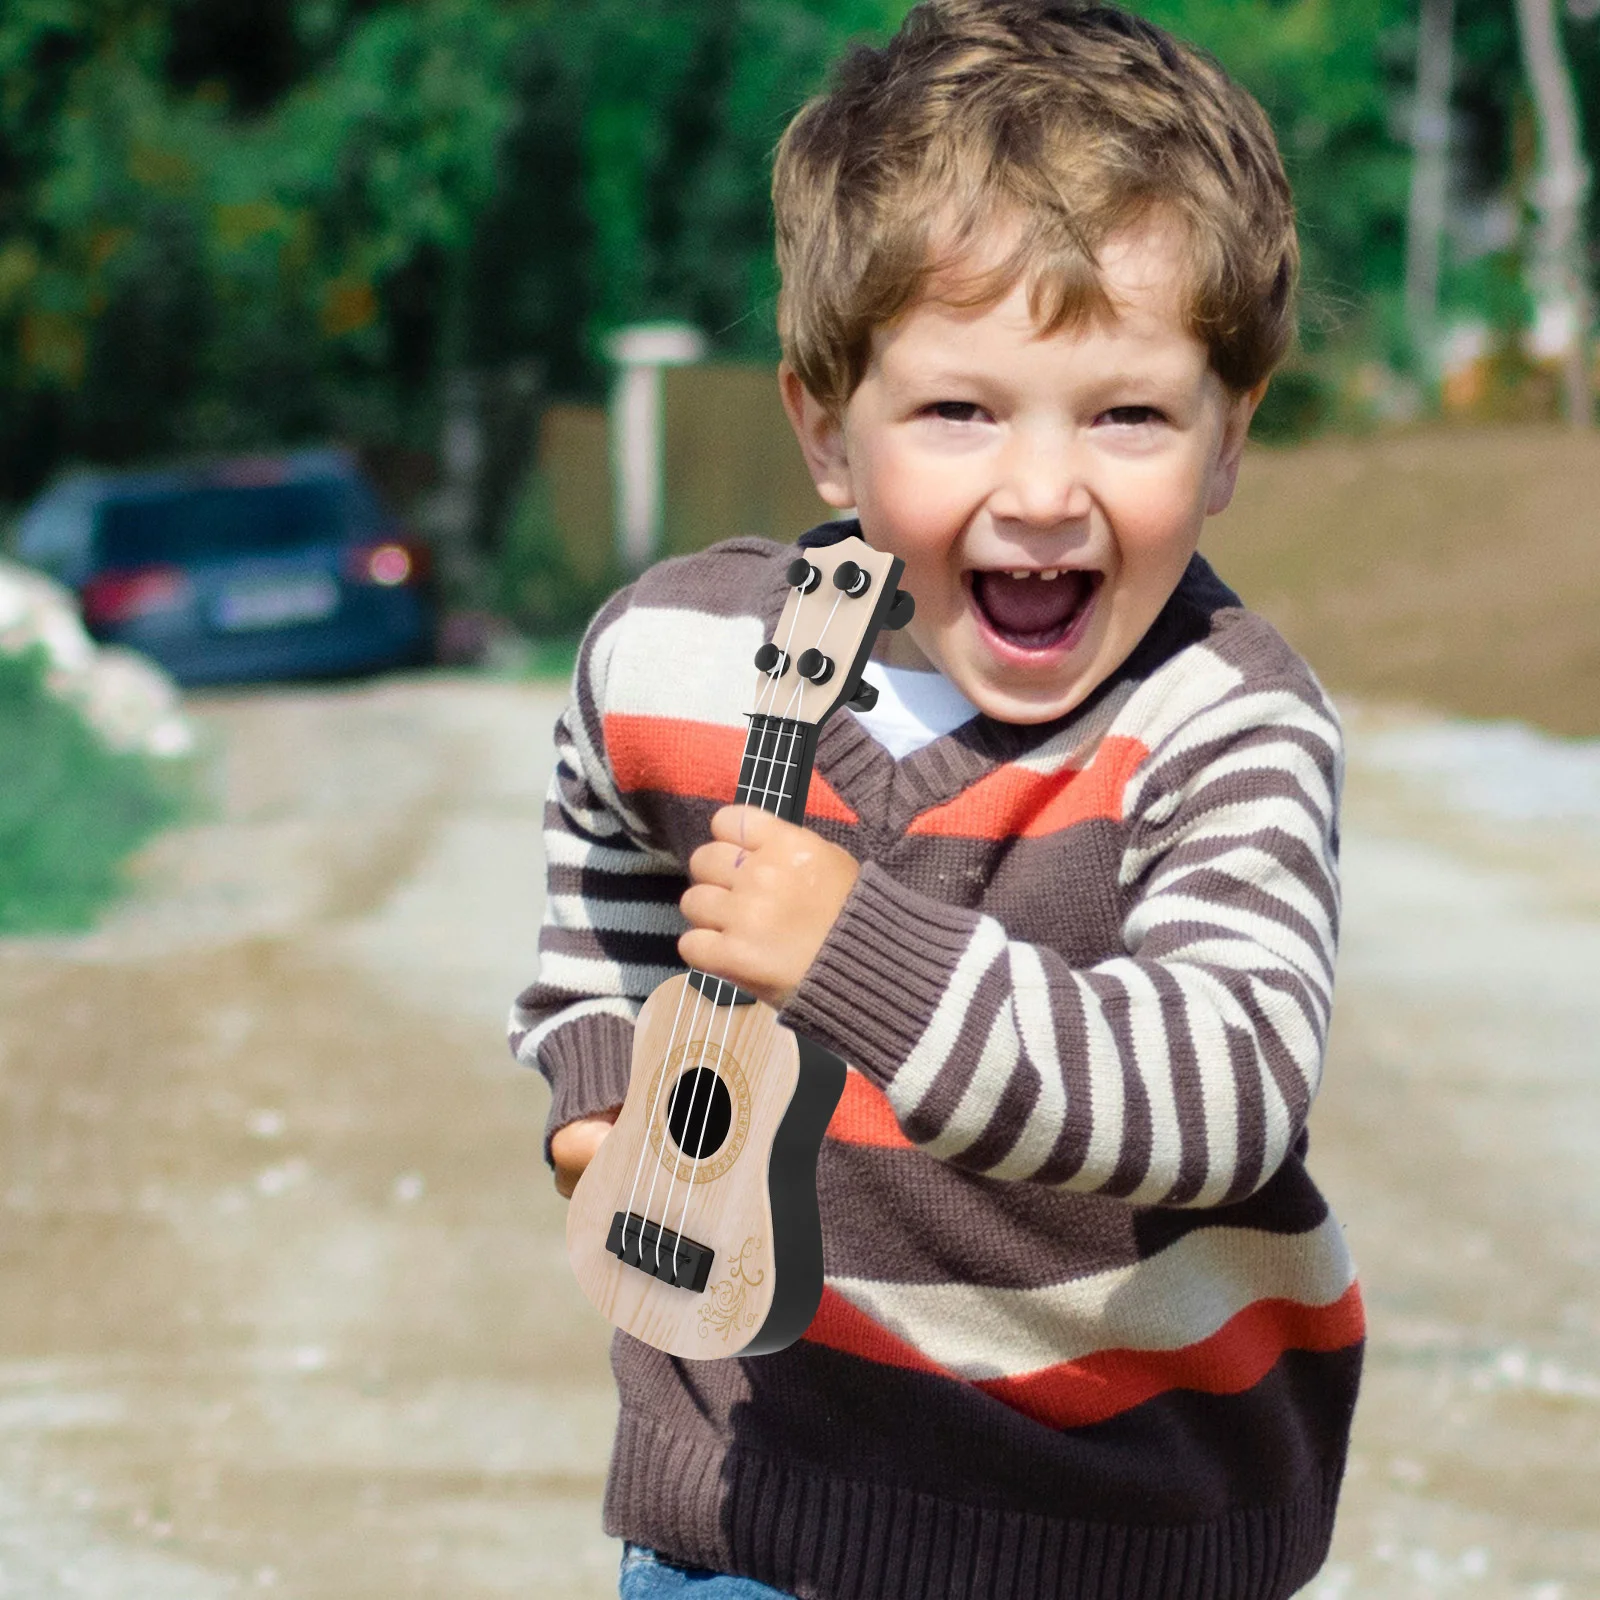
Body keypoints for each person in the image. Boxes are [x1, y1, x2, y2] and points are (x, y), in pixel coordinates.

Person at [510, 4, 1363, 1596]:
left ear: (1229, 439)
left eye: (1127, 414)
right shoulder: (677, 654)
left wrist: (856, 950)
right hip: (748, 1510)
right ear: (828, 427)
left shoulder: (1224, 725)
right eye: (961, 411)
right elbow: (603, 847)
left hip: (1121, 1535)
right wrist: (603, 1077)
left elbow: (1224, 1094)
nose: (1042, 491)